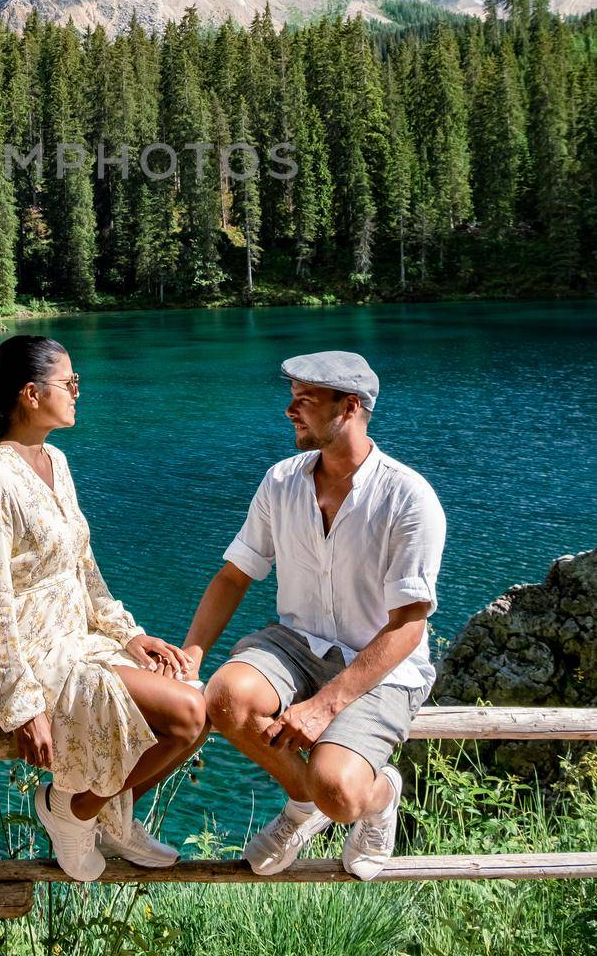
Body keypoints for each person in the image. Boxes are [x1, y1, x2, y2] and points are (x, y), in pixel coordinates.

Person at [180, 350, 446, 880]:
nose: (289, 411)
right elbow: (235, 575)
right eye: (292, 398)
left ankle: (379, 795)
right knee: (225, 697)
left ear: (349, 408)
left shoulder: (409, 498)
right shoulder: (281, 482)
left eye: (305, 400)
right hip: (297, 642)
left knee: (341, 793)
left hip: (382, 666)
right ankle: (303, 805)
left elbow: (408, 626)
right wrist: (192, 654)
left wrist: (324, 707)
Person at [0, 334, 206, 882]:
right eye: (69, 383)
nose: (77, 392)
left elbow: (82, 565)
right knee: (188, 717)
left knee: (192, 688)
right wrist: (22, 706)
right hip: (39, 653)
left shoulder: (56, 461)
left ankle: (108, 811)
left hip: (82, 635)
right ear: (29, 393)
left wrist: (129, 633)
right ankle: (75, 810)